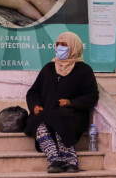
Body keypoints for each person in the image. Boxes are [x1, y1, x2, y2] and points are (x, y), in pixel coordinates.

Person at [24, 32, 99, 173]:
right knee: (38, 122)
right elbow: (33, 91)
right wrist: (35, 105)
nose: (59, 47)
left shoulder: (84, 70)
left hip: (72, 114)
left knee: (61, 118)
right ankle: (54, 159)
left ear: (73, 47)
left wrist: (71, 102)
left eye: (64, 45)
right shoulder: (49, 68)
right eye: (58, 44)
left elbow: (92, 95)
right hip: (46, 112)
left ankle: (71, 159)